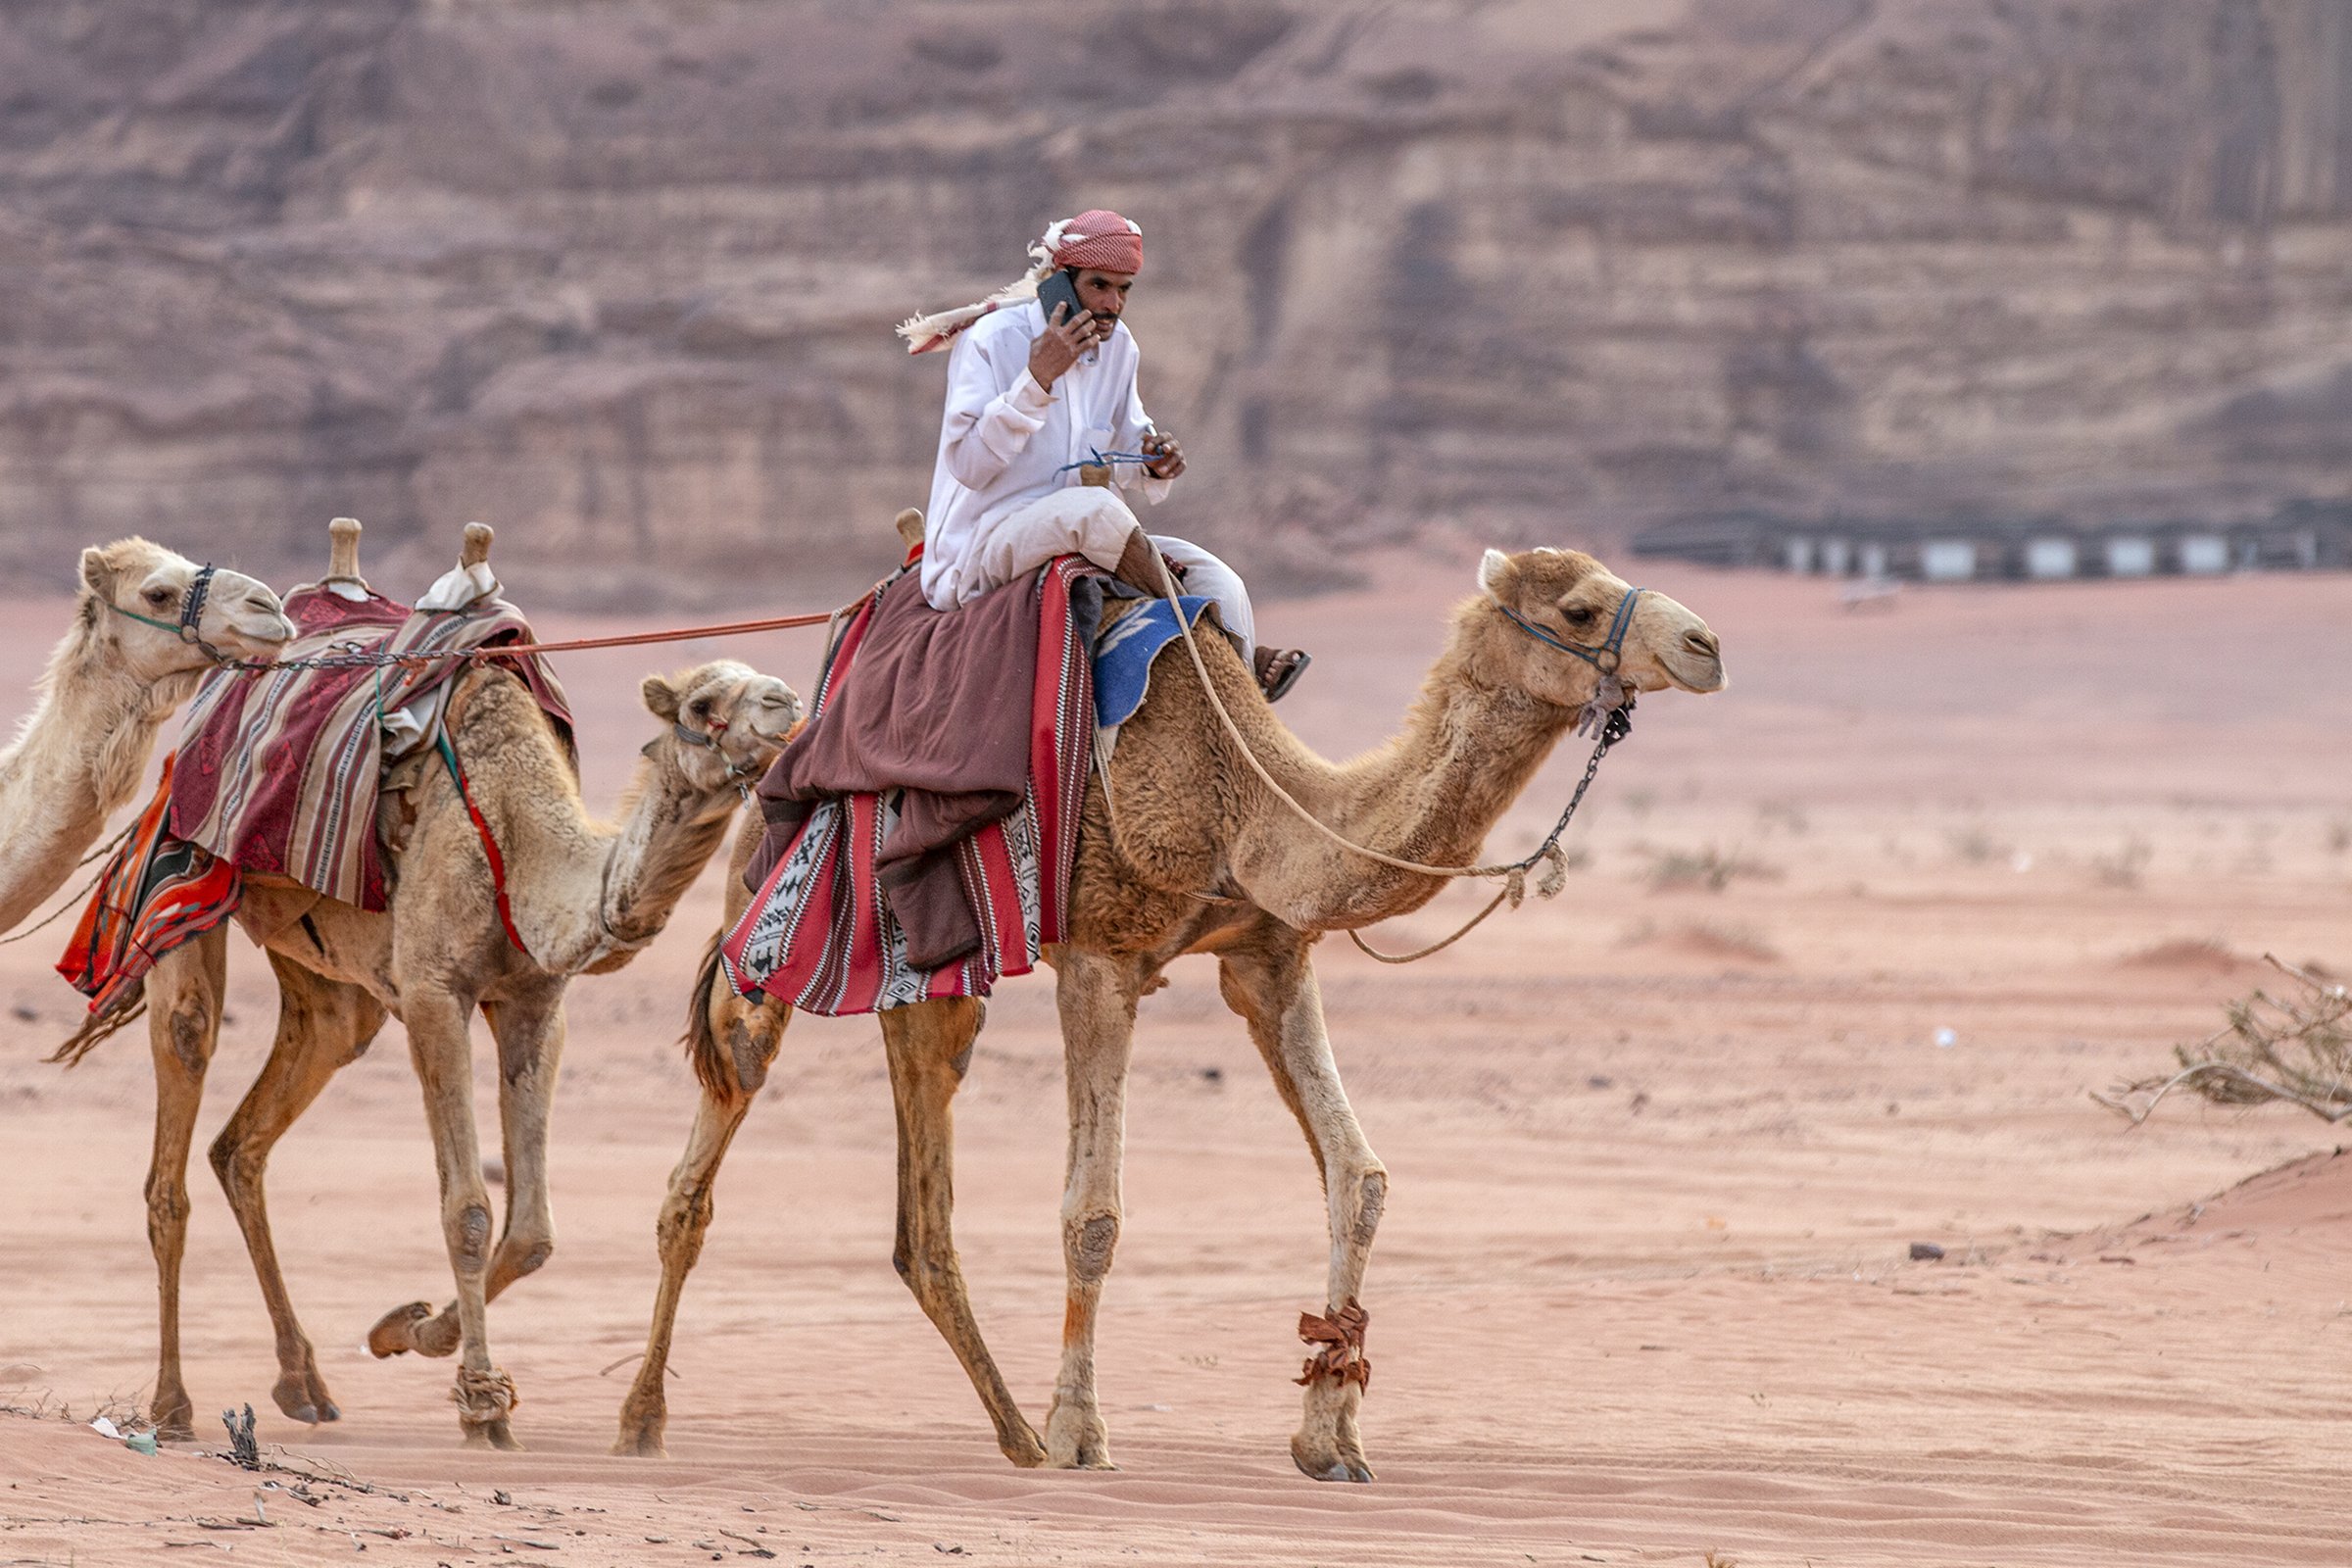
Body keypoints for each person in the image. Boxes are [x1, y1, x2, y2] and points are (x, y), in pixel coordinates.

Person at [897, 209, 1309, 700]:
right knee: (1095, 510)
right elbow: (966, 465)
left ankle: (1236, 682)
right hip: (981, 547)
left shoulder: (1119, 348)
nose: (1114, 304)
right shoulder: (992, 341)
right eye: (1099, 286)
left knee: (1217, 575)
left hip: (1083, 534)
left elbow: (1126, 443)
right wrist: (1037, 381)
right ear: (1058, 282)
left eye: (1125, 288)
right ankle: (1219, 643)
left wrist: (1153, 461)